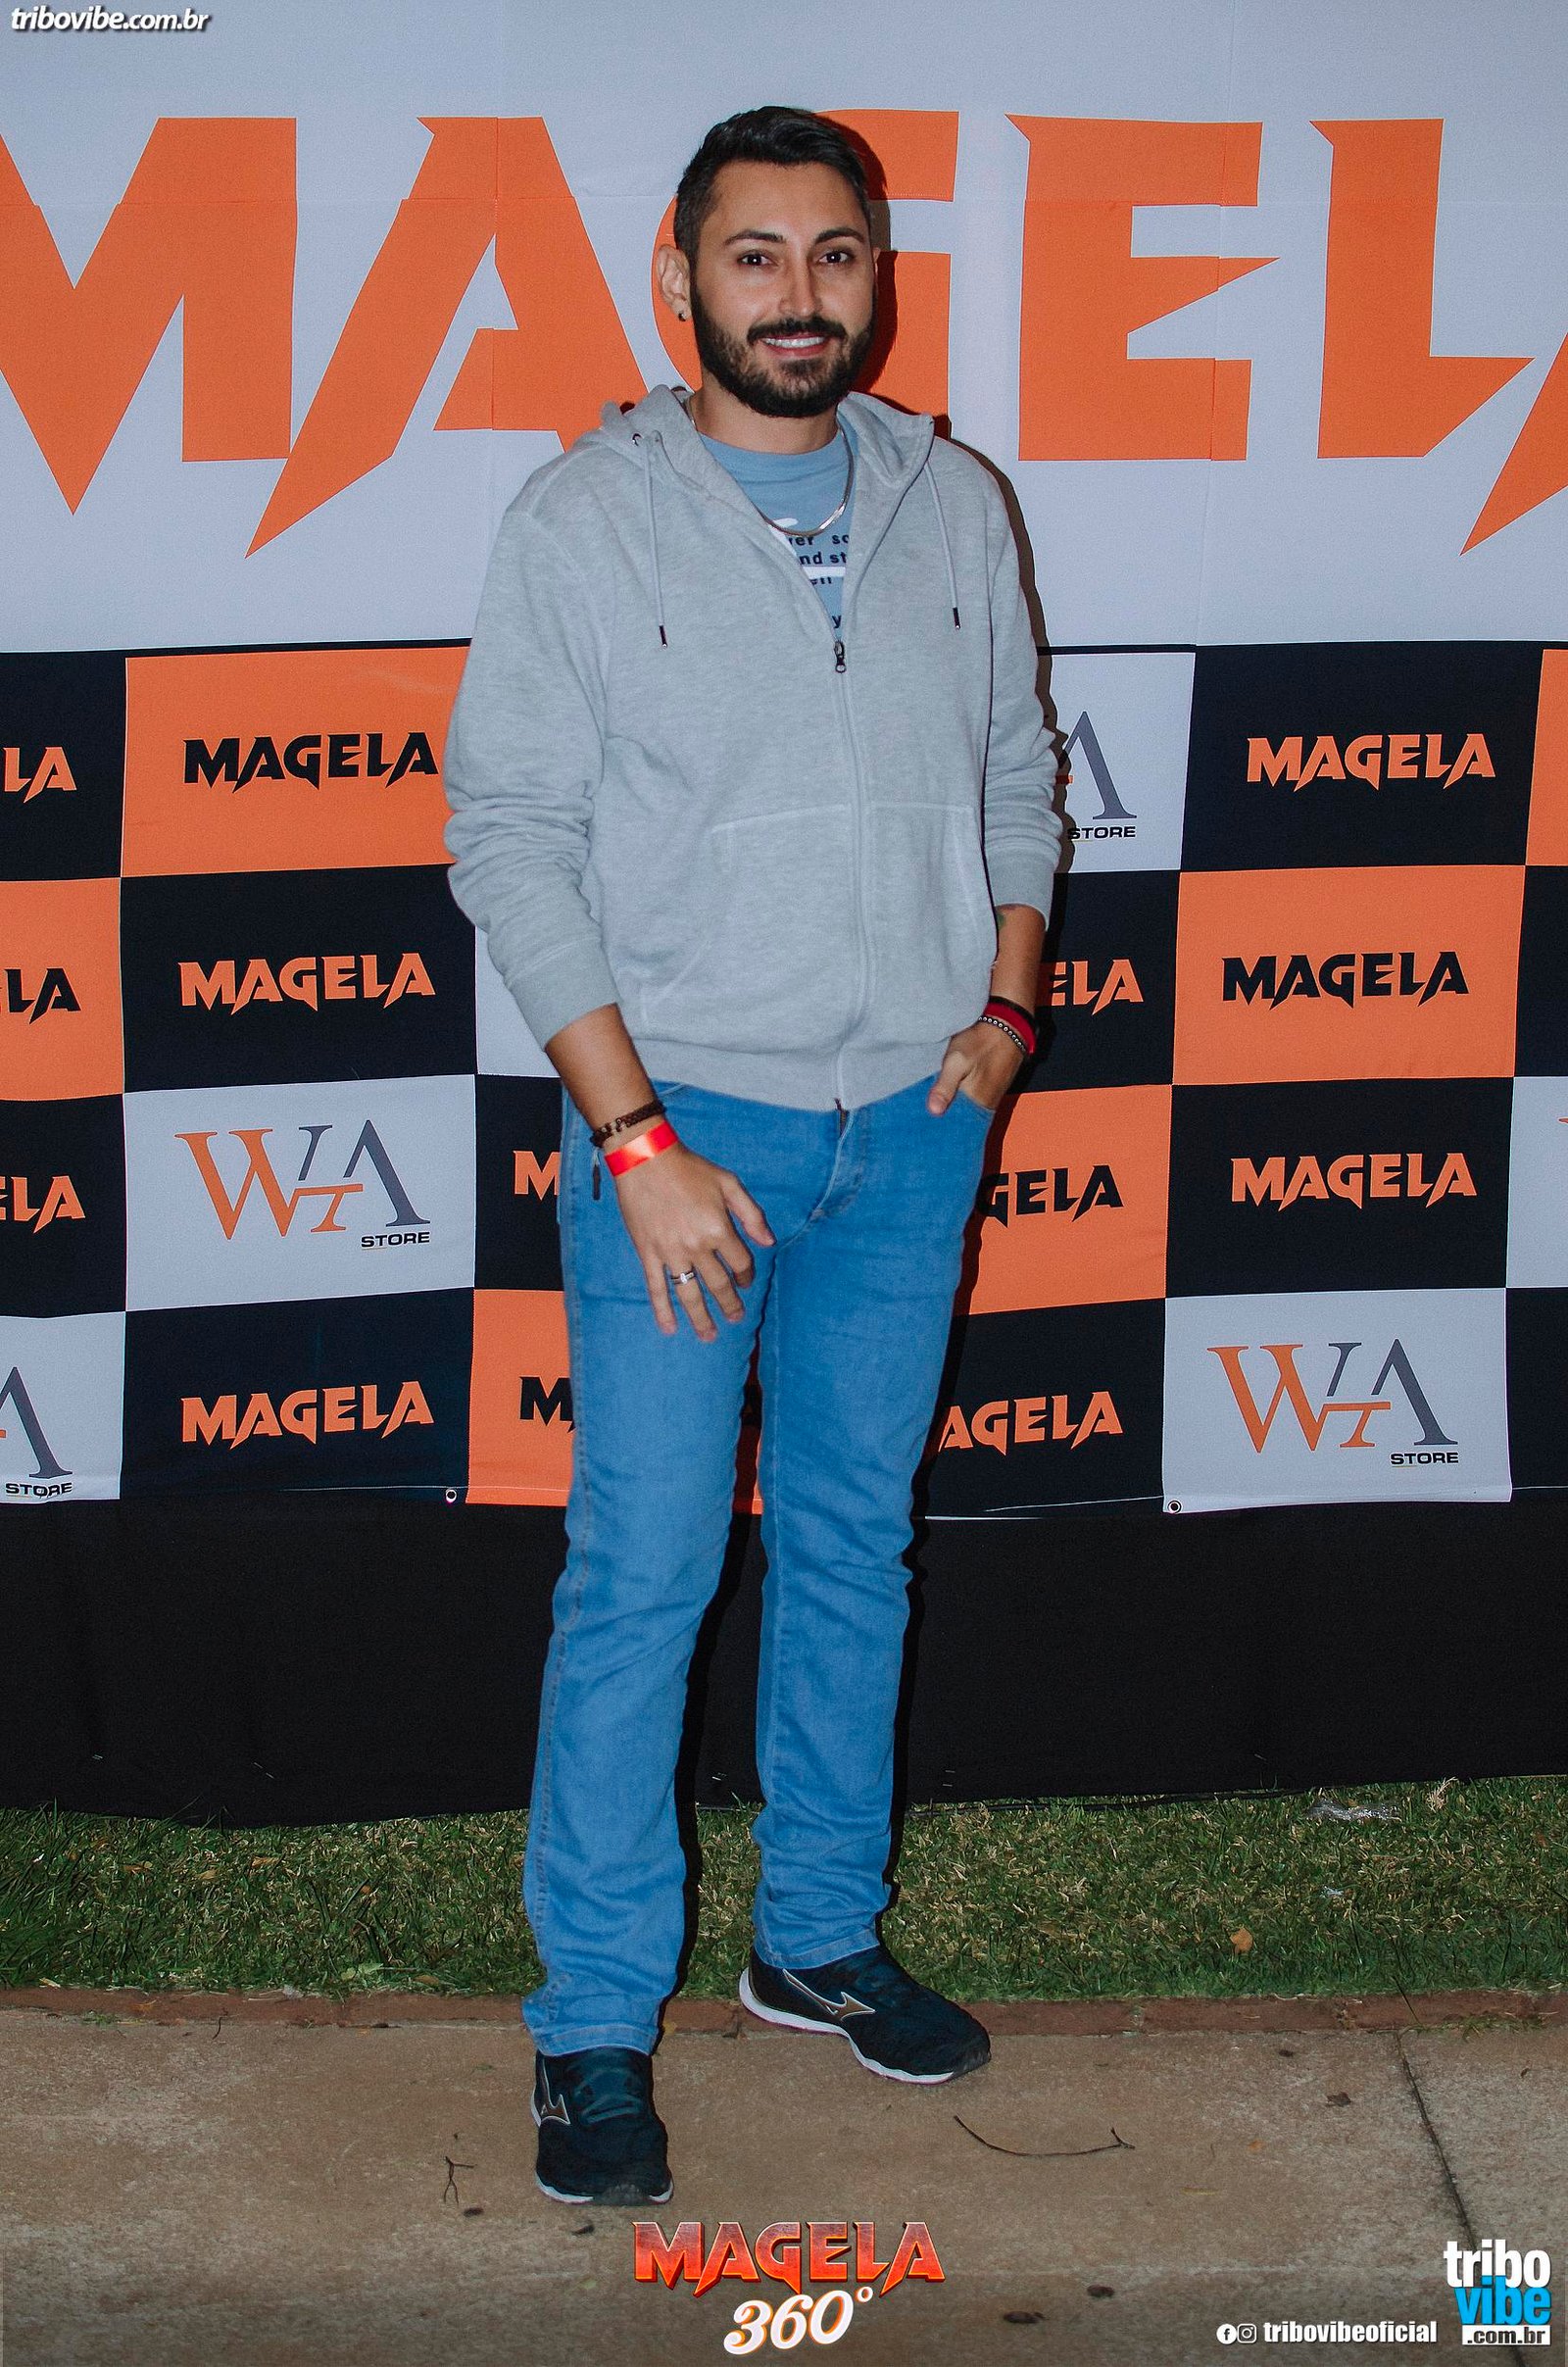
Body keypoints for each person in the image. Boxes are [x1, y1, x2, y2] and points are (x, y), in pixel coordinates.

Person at [443, 103, 1061, 2207]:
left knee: (852, 1547)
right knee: (643, 1572)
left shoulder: (955, 500)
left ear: (879, 274)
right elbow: (509, 841)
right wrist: (634, 1136)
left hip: (913, 1132)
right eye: (756, 255)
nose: (801, 296)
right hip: (682, 1138)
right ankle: (592, 2020)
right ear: (680, 278)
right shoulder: (579, 518)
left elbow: (1015, 775)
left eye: (836, 254)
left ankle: (812, 1935)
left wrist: (1002, 1014)